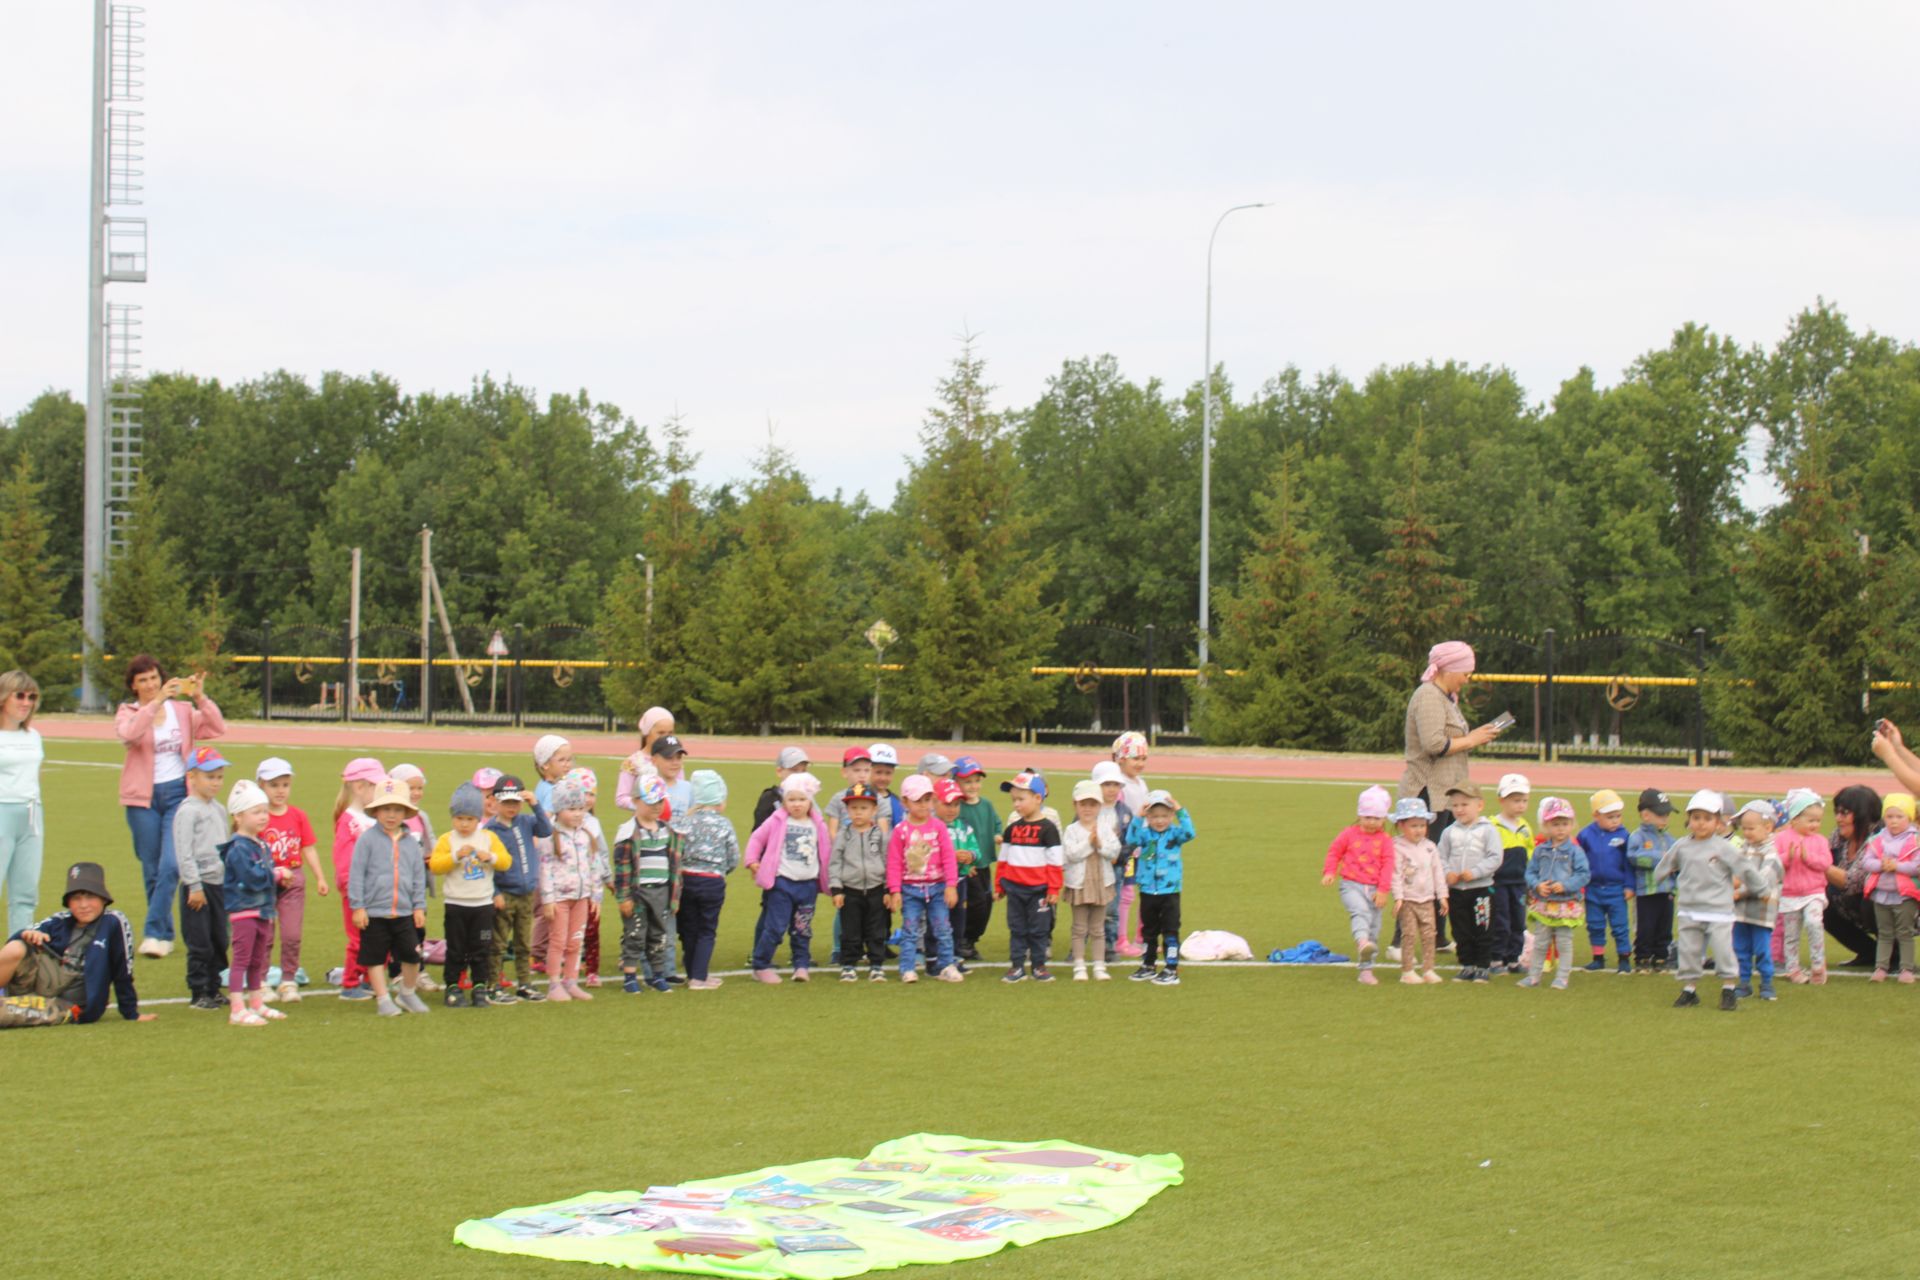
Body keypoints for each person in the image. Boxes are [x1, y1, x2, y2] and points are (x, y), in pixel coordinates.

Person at [115, 655, 227, 957]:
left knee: (172, 865)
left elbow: (216, 726)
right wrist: (155, 704)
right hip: (142, 799)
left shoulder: (182, 710)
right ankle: (164, 935)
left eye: (154, 678)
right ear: (134, 686)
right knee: (152, 868)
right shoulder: (128, 712)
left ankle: (153, 931)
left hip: (178, 794)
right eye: (143, 681)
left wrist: (200, 696)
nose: (150, 685)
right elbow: (129, 735)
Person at [0, 861, 153, 1028]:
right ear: (68, 902)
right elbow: (19, 937)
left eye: (90, 897)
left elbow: (123, 971)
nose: (83, 905)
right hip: (36, 986)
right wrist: (27, 935)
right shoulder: (60, 921)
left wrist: (131, 1013)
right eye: (76, 898)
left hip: (68, 1006)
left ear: (103, 899)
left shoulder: (114, 923)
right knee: (16, 947)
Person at [348, 778, 431, 1017]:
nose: (391, 815)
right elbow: (357, 874)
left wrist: (418, 906)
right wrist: (358, 906)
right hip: (374, 912)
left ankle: (407, 992)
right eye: (386, 809)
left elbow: (418, 876)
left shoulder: (410, 843)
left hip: (404, 911)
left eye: (397, 809)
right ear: (376, 811)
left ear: (405, 812)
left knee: (412, 955)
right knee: (375, 958)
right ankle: (383, 999)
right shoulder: (367, 840)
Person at [1656, 790, 1743, 1011]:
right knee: (1689, 951)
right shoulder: (1682, 845)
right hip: (1690, 908)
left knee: (1723, 949)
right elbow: (1666, 864)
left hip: (1718, 909)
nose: (1701, 823)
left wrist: (1759, 886)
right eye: (1696, 818)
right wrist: (1659, 876)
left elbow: (1744, 868)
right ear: (1689, 820)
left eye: (1707, 818)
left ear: (1718, 822)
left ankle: (1729, 988)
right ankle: (1689, 990)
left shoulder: (1723, 847)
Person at [427, 782, 511, 1007]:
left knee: (481, 947)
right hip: (456, 903)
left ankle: (479, 987)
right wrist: (455, 856)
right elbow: (435, 866)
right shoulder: (447, 840)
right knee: (456, 948)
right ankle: (453, 987)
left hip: (482, 904)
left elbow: (505, 861)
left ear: (478, 818)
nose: (464, 824)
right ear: (453, 817)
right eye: (459, 818)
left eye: (469, 819)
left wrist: (490, 857)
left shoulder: (488, 838)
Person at [744, 772, 831, 984]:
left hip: (808, 885)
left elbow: (827, 851)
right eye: (791, 799)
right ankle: (761, 964)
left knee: (802, 928)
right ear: (784, 801)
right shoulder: (777, 821)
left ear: (810, 801)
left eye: (802, 799)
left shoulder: (817, 824)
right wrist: (752, 860)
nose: (797, 804)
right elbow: (757, 838)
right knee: (775, 926)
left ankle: (801, 965)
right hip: (782, 883)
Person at [252, 758, 322, 1002]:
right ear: (261, 785)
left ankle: (288, 980)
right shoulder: (257, 817)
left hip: (294, 881)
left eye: (285, 784)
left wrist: (319, 877)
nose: (280, 790)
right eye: (273, 785)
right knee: (265, 934)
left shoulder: (297, 816)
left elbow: (308, 847)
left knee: (292, 934)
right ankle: (260, 981)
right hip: (264, 882)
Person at [886, 775, 961, 984]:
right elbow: (894, 863)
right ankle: (907, 968)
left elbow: (948, 857)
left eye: (927, 800)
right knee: (910, 929)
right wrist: (895, 890)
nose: (923, 805)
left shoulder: (938, 827)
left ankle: (946, 965)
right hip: (910, 889)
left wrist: (951, 885)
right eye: (918, 801)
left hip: (937, 887)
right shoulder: (901, 831)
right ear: (905, 802)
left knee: (943, 928)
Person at [174, 747, 232, 1010]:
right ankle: (198, 991)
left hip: (219, 885)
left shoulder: (219, 809)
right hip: (197, 887)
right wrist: (193, 886)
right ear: (192, 777)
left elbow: (225, 846)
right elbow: (184, 852)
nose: (216, 783)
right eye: (210, 777)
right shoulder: (188, 811)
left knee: (220, 938)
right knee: (200, 940)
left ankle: (214, 985)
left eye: (219, 777)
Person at [221, 779, 283, 1027]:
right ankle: (237, 1007)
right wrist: (276, 875)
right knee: (242, 960)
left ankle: (256, 1002)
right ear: (238, 816)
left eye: (264, 811)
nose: (263, 817)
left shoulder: (261, 844)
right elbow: (251, 877)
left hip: (262, 910)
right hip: (244, 911)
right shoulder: (238, 848)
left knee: (258, 960)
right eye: (256, 812)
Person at [485, 774, 550, 1004]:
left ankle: (524, 984)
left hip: (526, 894)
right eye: (506, 802)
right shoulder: (490, 829)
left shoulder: (526, 822)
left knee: (523, 943)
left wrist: (535, 804)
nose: (511, 807)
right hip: (505, 894)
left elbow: (546, 829)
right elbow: (487, 867)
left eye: (515, 802)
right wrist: (494, 893)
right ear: (495, 802)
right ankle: (492, 985)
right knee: (498, 943)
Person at [1321, 785, 1396, 985]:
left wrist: (1383, 890)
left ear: (1384, 819)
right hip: (1351, 884)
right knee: (1360, 912)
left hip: (1374, 889)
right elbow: (1334, 852)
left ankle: (1366, 969)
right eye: (1367, 817)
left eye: (1377, 818)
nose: (1372, 822)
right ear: (1360, 815)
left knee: (1374, 928)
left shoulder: (1386, 840)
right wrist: (1329, 872)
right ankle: (1362, 942)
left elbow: (1388, 865)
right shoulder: (1348, 834)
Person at [612, 776, 679, 995]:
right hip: (638, 893)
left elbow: (674, 866)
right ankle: (630, 977)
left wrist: (675, 896)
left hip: (661, 892)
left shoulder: (667, 831)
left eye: (660, 802)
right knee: (635, 933)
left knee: (659, 934)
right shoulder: (629, 832)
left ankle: (657, 975)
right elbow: (622, 868)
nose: (657, 807)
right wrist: (624, 897)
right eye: (651, 802)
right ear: (636, 801)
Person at [674, 770, 739, 990]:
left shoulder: (685, 821)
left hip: (686, 880)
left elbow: (676, 851)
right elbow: (733, 857)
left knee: (689, 927)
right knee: (706, 929)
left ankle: (693, 971)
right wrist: (722, 870)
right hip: (712, 881)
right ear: (719, 799)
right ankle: (699, 977)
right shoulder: (724, 824)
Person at [996, 770, 1063, 984]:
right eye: (1014, 799)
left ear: (1037, 798)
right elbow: (1003, 860)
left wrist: (1053, 889)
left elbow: (1055, 863)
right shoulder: (1012, 830)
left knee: (1039, 930)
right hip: (1015, 889)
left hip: (1039, 891)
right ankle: (1017, 966)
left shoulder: (1049, 829)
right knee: (1016, 928)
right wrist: (1000, 886)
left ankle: (1039, 966)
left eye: (1020, 799)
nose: (1016, 804)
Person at [541, 782, 605, 1002]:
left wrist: (596, 896)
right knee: (558, 941)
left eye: (580, 808)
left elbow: (595, 865)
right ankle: (554, 983)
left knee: (576, 941)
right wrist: (548, 899)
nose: (578, 814)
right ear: (559, 809)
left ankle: (571, 980)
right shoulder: (551, 837)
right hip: (559, 898)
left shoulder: (586, 835)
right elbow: (545, 868)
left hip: (582, 898)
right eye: (572, 809)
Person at [1126, 789, 1196, 987]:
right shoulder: (1144, 834)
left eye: (1165, 816)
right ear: (1148, 816)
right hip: (1148, 891)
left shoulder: (1175, 834)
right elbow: (1130, 840)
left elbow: (1191, 832)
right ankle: (1148, 965)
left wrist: (1180, 810)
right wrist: (1138, 817)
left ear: (1171, 815)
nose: (1159, 821)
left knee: (1170, 931)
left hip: (1170, 892)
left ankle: (1171, 968)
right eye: (1154, 816)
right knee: (1148, 931)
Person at [1518, 797, 1589, 991]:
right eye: (1555, 824)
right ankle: (1534, 976)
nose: (1560, 829)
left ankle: (1562, 977)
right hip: (1544, 904)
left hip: (1565, 905)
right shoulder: (1541, 850)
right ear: (1546, 825)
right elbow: (1530, 872)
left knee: (1564, 942)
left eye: (1564, 824)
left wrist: (1565, 885)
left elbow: (1584, 875)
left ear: (1572, 825)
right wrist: (1537, 885)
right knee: (1541, 942)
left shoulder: (1575, 852)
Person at [331, 757, 385, 1001]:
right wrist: (351, 891)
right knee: (358, 938)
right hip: (357, 893)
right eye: (376, 786)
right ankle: (350, 983)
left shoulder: (375, 819)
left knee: (380, 936)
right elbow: (343, 860)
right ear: (360, 787)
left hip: (379, 891)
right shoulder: (348, 821)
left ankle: (369, 979)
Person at [1437, 785, 1501, 983]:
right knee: (1460, 930)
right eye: (1455, 805)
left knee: (1483, 928)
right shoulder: (1449, 832)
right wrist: (1447, 873)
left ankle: (1482, 966)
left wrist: (1475, 873)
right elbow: (1440, 856)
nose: (1459, 809)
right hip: (1457, 891)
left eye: (1465, 804)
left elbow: (1495, 857)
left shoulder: (1488, 830)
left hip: (1481, 890)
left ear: (1479, 805)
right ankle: (1467, 965)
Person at [0, 670, 46, 936]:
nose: (26, 702)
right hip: (2, 812)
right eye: (19, 695)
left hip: (31, 815)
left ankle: (19, 957)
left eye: (31, 696)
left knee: (26, 891)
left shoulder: (33, 736)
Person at [1061, 779, 1120, 983]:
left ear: (1100, 806)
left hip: (1101, 883)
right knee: (1079, 927)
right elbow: (1070, 854)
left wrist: (1100, 844)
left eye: (1093, 804)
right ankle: (1079, 964)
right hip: (1079, 884)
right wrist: (1090, 843)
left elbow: (1114, 851)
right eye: (1083, 804)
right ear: (1075, 805)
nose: (1087, 809)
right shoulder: (1071, 830)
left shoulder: (1105, 827)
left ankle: (1099, 964)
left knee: (1098, 927)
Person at [1859, 792, 1920, 983]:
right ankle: (1881, 967)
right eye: (1889, 816)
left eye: (1899, 817)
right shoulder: (1877, 839)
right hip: (1882, 894)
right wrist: (1881, 865)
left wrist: (1897, 866)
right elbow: (1866, 862)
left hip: (1905, 895)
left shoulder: (1915, 840)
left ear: (1909, 817)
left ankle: (1906, 969)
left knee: (1904, 933)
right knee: (1884, 933)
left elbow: (1917, 866)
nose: (1894, 821)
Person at [830, 784, 889, 982]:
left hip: (876, 890)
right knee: (850, 930)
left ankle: (876, 965)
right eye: (853, 808)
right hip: (850, 891)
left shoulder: (879, 834)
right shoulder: (843, 835)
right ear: (847, 810)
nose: (858, 813)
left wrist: (889, 888)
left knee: (876, 930)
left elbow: (888, 860)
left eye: (863, 808)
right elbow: (835, 862)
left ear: (873, 810)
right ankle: (848, 964)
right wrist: (836, 888)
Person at [1774, 788, 1832, 985]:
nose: (1815, 824)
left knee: (1814, 923)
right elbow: (1774, 864)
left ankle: (1818, 964)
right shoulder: (1781, 839)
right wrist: (1787, 858)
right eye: (1810, 820)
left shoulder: (1820, 841)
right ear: (1795, 819)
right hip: (1789, 894)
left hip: (1813, 892)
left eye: (1818, 820)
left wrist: (1809, 858)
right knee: (1791, 934)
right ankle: (1793, 969)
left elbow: (1825, 863)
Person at [1730, 799, 1784, 1001]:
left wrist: (1737, 891)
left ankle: (1767, 983)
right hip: (1741, 912)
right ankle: (1744, 983)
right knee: (1740, 948)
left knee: (1762, 950)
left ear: (1768, 827)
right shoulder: (1743, 849)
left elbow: (1761, 883)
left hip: (1762, 913)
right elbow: (1734, 871)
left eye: (1751, 828)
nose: (1746, 833)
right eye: (1744, 829)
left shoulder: (1772, 855)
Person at [1390, 797, 1447, 985]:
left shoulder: (1430, 847)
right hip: (1408, 900)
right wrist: (1398, 898)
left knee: (1430, 933)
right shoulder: (1397, 847)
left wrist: (1443, 896)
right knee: (1409, 934)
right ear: (1401, 825)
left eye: (1422, 825)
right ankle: (1407, 971)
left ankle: (1428, 969)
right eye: (1413, 826)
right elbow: (1395, 874)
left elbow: (1438, 872)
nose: (1419, 830)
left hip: (1427, 900)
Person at [1824, 785, 1882, 966]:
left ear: (1862, 813)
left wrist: (1814, 861)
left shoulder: (1879, 838)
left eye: (1845, 813)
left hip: (1903, 907)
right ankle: (1868, 952)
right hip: (1856, 902)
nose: (1838, 818)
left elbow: (1852, 882)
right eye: (1837, 812)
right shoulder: (1839, 836)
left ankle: (1895, 955)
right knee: (1817, 900)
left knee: (1871, 899)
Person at [1577, 790, 1633, 975]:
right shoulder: (1585, 835)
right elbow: (1579, 862)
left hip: (1616, 889)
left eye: (1618, 816)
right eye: (1610, 817)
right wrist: (1580, 886)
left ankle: (1624, 958)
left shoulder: (1624, 836)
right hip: (1593, 889)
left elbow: (1628, 863)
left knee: (1619, 925)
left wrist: (1629, 885)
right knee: (1594, 923)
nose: (1615, 821)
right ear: (1596, 815)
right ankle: (1598, 958)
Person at [1626, 789, 1676, 975]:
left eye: (1667, 815)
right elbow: (1634, 857)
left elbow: (1677, 862)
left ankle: (1661, 957)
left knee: (1665, 926)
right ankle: (1642, 958)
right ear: (1646, 815)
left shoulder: (1671, 840)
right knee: (1645, 927)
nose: (1665, 819)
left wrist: (1676, 882)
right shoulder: (1638, 836)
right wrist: (1661, 859)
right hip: (1646, 892)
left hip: (1667, 891)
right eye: (1660, 814)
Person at [953, 756, 998, 959]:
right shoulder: (957, 808)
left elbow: (996, 824)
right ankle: (964, 940)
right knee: (976, 904)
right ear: (957, 782)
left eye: (977, 781)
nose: (973, 786)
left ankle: (971, 940)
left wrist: (998, 835)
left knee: (987, 903)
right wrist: (965, 862)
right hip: (968, 866)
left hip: (984, 863)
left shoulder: (986, 805)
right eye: (967, 781)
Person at [1489, 774, 1533, 976]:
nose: (1520, 805)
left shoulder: (1525, 828)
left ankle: (1513, 958)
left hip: (1519, 883)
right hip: (1498, 883)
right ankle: (1496, 958)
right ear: (1502, 800)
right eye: (1516, 800)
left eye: (1524, 800)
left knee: (1518, 921)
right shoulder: (1491, 826)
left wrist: (1531, 880)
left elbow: (1531, 855)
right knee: (1501, 920)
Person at [614, 706, 676, 813]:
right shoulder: (632, 762)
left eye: (670, 733)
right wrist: (645, 804)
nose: (665, 738)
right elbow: (621, 798)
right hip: (643, 822)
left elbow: (679, 787)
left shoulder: (675, 760)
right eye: (660, 733)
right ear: (646, 733)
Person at [754, 747, 810, 831]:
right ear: (779, 771)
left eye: (803, 771)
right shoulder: (770, 798)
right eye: (794, 770)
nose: (799, 775)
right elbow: (758, 830)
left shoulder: (808, 797)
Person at [868, 744, 906, 827]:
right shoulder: (856, 796)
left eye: (888, 773)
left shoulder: (896, 802)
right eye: (878, 772)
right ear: (867, 769)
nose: (883, 778)